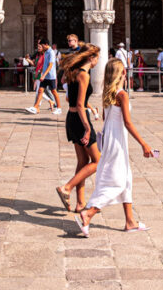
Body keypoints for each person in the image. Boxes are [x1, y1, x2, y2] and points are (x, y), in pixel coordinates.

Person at [76, 58, 154, 236]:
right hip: (118, 141)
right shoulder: (122, 95)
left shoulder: (108, 94)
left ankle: (130, 221)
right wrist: (144, 144)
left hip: (110, 138)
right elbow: (127, 122)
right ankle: (89, 212)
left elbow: (106, 118)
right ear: (122, 73)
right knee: (117, 182)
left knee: (126, 178)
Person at [55, 43, 101, 213]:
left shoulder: (73, 73)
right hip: (80, 120)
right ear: (91, 57)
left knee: (83, 161)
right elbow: (80, 104)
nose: (97, 61)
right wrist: (88, 128)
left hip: (71, 117)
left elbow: (70, 100)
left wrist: (90, 106)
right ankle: (67, 187)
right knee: (98, 161)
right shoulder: (84, 75)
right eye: (97, 58)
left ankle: (80, 203)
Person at [25, 38, 62, 114]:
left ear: (46, 44)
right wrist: (41, 73)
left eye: (42, 45)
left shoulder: (51, 52)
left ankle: (59, 108)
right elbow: (44, 65)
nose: (41, 47)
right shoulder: (46, 52)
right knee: (40, 91)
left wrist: (43, 75)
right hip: (44, 76)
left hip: (50, 76)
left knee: (54, 91)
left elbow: (50, 65)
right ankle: (35, 107)